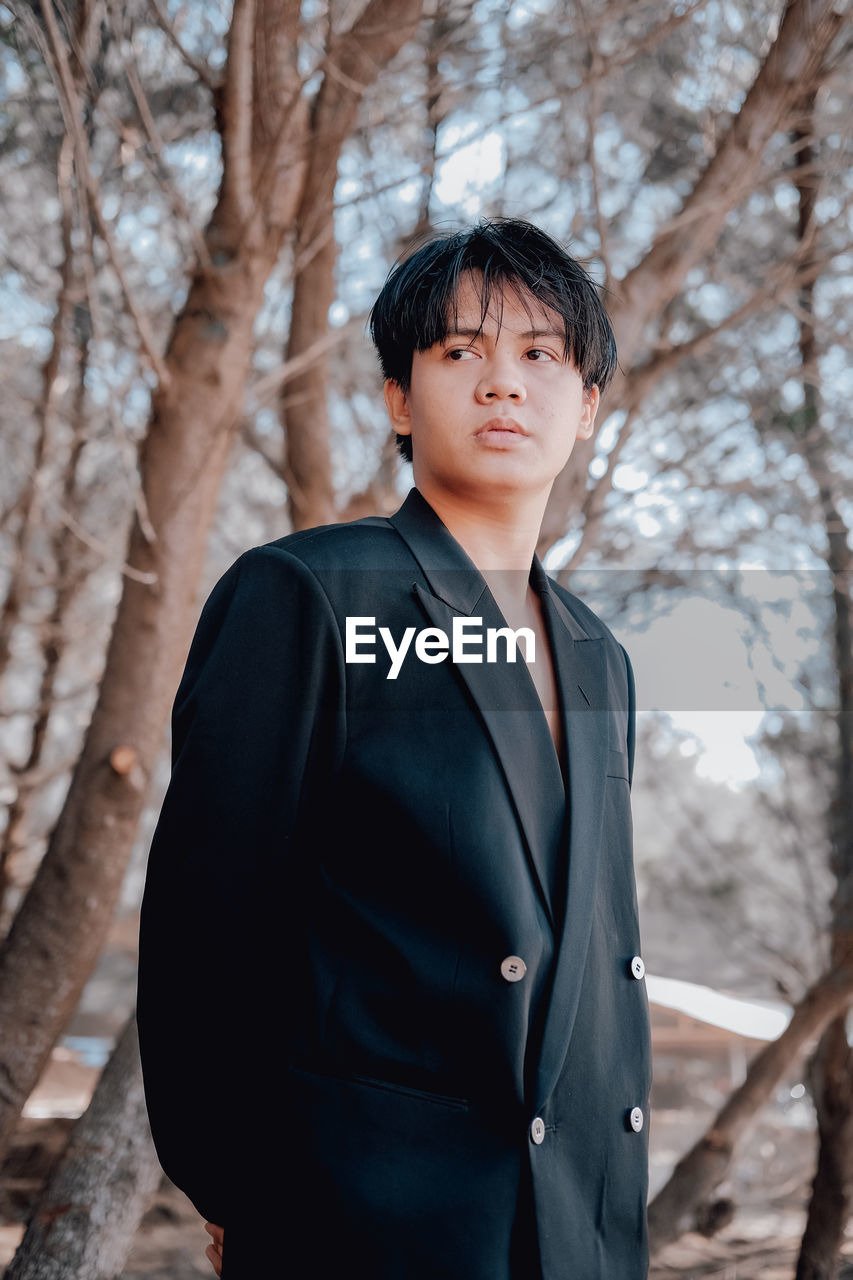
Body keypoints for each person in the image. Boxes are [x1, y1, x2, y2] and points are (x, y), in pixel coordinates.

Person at [136, 217, 651, 1280]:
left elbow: (591, 963)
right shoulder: (310, 592)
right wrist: (236, 1184)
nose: (502, 383)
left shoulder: (599, 656)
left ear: (587, 404)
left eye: (539, 355)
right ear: (399, 401)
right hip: (363, 1216)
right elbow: (207, 926)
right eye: (459, 351)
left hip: (569, 1229)